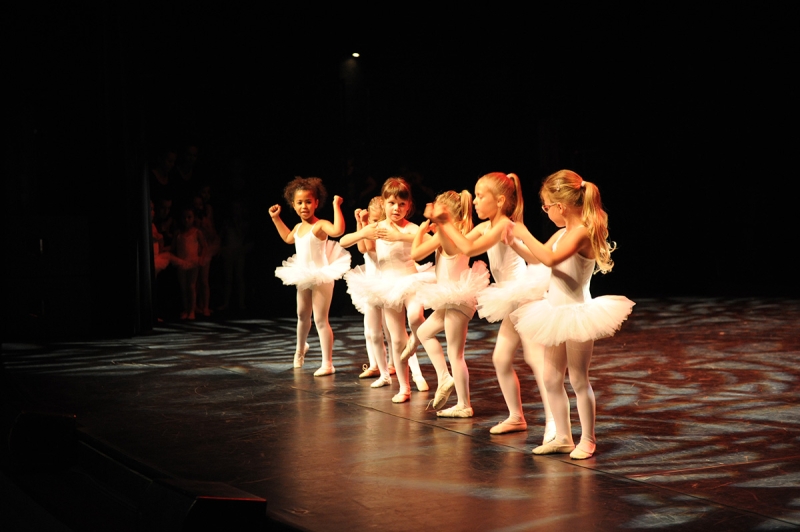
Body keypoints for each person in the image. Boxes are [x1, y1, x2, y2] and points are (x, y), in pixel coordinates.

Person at [509, 169, 634, 459]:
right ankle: (563, 437)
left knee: (578, 379)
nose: (546, 211)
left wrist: (524, 231)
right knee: (552, 379)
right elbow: (539, 257)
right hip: (554, 312)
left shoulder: (580, 233)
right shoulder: (564, 232)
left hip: (576, 314)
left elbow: (551, 258)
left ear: (560, 207)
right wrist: (514, 242)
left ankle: (587, 439)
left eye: (546, 206)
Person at [432, 172, 552, 438]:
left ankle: (554, 424)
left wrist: (445, 222)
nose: (475, 201)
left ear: (499, 201)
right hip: (511, 296)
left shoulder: (503, 225)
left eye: (480, 196)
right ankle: (516, 417)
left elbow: (470, 249)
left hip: (524, 294)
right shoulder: (487, 226)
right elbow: (457, 247)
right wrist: (442, 226)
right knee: (500, 358)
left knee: (535, 358)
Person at [343, 177, 432, 403]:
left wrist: (399, 236)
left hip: (410, 281)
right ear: (384, 203)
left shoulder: (413, 228)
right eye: (392, 203)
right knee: (396, 338)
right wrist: (363, 231)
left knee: (416, 316)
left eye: (402, 204)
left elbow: (431, 239)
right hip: (388, 286)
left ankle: (416, 340)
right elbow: (344, 241)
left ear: (409, 206)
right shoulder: (377, 227)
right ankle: (404, 387)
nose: (397, 208)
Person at [412, 192, 490, 418]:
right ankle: (445, 377)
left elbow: (421, 252)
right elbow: (417, 252)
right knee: (424, 331)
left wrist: (426, 230)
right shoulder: (449, 232)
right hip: (450, 298)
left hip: (457, 298)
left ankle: (464, 404)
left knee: (456, 353)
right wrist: (421, 232)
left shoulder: (452, 234)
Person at [270, 177, 350, 376]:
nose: (304, 206)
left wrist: (336, 205)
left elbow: (338, 230)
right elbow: (288, 238)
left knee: (321, 319)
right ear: (293, 205)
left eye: (308, 201)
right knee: (301, 314)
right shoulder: (298, 228)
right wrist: (276, 218)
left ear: (316, 203)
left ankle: (328, 363)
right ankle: (300, 349)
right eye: (299, 202)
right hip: (303, 274)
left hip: (321, 275)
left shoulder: (320, 225)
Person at [341, 198, 393, 386]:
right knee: (370, 330)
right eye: (372, 220)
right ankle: (374, 364)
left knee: (390, 328)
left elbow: (370, 246)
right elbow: (363, 248)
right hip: (371, 284)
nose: (374, 225)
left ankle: (393, 363)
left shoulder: (385, 233)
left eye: (377, 221)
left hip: (387, 283)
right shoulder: (369, 230)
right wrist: (361, 224)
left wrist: (365, 226)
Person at [174, 206, 207, 320]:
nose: (187, 220)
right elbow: (174, 247)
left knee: (191, 286)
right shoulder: (178, 233)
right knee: (183, 287)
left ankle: (192, 310)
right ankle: (186, 309)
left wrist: (201, 258)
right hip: (181, 262)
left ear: (193, 218)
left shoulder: (197, 232)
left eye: (189, 217)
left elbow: (204, 246)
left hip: (193, 262)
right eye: (184, 217)